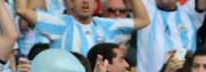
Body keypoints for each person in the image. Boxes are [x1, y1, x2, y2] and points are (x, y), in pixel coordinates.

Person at [14, 0, 149, 56]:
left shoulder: (108, 25)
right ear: (71, 4)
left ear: (96, 5)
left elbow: (143, 20)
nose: (85, 1)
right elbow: (21, 10)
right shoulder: (59, 23)